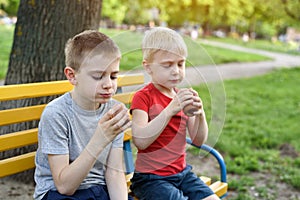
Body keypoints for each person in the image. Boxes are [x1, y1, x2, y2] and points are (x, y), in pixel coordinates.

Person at [33, 30, 132, 200]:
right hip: (57, 194)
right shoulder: (57, 114)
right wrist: (100, 139)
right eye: (98, 76)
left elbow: (114, 173)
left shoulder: (114, 110)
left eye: (113, 76)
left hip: (99, 190)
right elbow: (64, 186)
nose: (108, 84)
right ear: (72, 76)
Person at [129, 27, 220, 200]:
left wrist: (200, 115)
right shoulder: (143, 97)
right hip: (150, 179)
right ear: (148, 68)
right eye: (167, 65)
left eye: (180, 63)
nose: (176, 71)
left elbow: (198, 140)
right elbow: (140, 141)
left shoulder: (182, 97)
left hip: (183, 174)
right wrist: (170, 109)